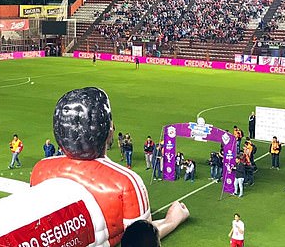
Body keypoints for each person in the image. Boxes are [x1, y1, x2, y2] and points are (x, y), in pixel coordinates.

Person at [30, 87, 190, 246]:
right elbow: (140, 242)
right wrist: (171, 221)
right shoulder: (125, 182)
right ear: (108, 130)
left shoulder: (41, 169)